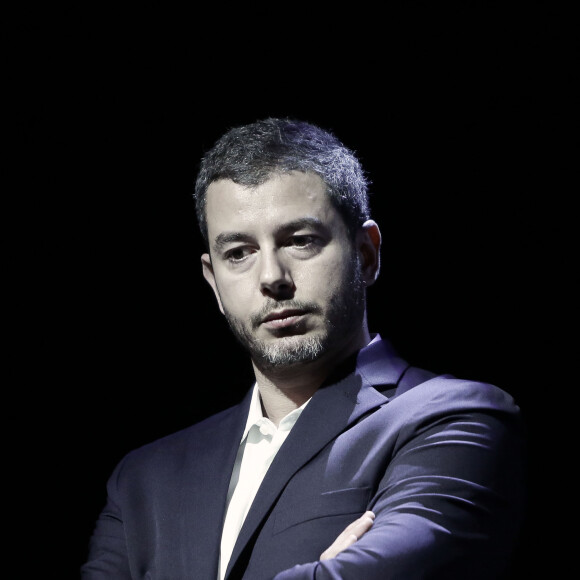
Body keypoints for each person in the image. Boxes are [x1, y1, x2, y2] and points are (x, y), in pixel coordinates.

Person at [81, 117, 526, 579]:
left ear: (367, 254)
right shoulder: (144, 480)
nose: (271, 277)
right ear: (213, 282)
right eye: (238, 253)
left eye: (300, 241)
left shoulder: (454, 419)